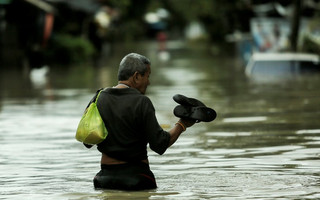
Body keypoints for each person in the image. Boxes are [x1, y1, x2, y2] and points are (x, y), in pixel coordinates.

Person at [86, 53, 195, 190]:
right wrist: (182, 124)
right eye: (147, 76)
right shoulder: (142, 102)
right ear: (137, 76)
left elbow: (87, 141)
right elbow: (160, 144)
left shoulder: (98, 97)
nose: (148, 82)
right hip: (137, 178)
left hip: (105, 179)